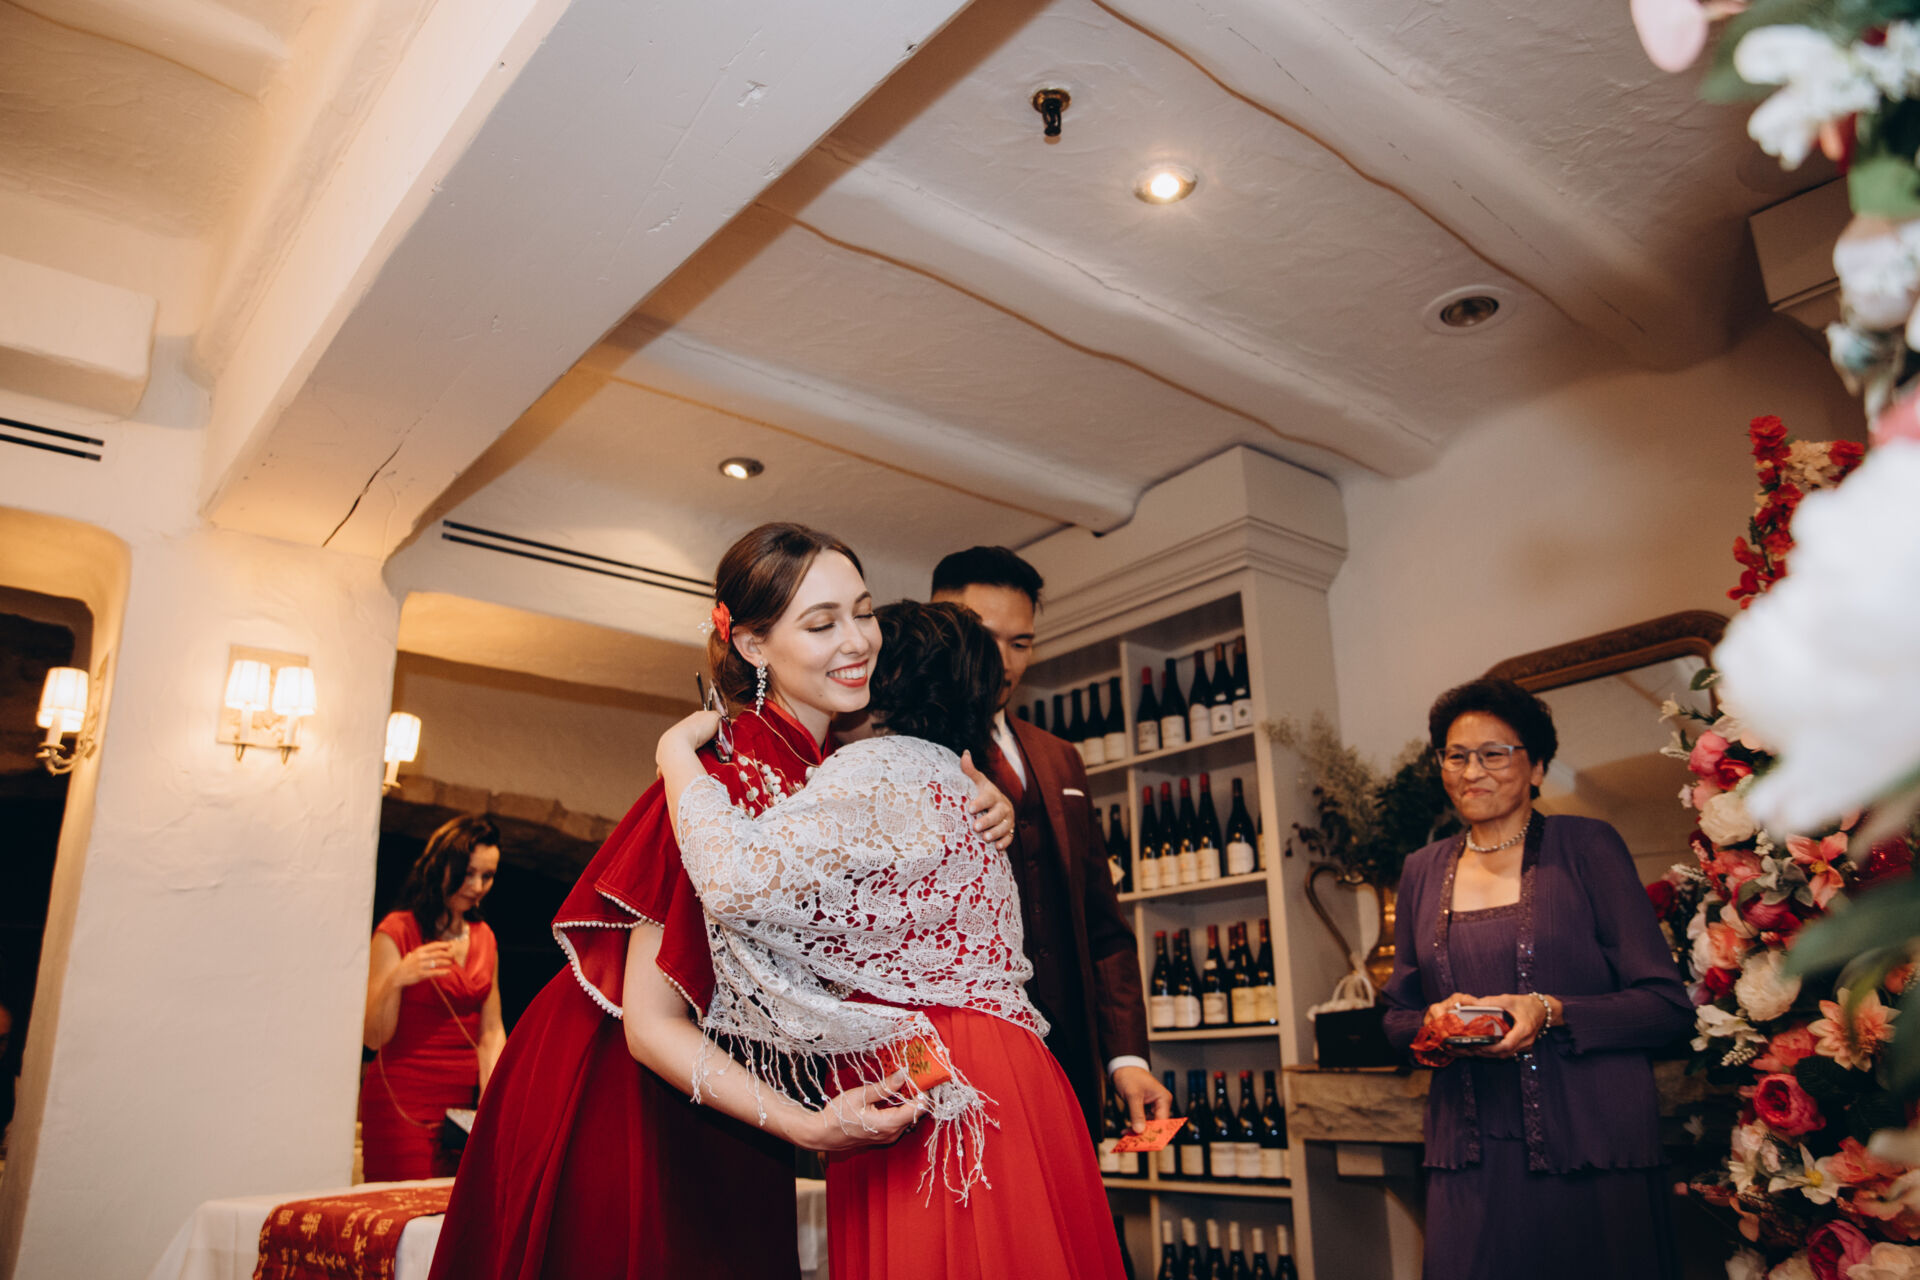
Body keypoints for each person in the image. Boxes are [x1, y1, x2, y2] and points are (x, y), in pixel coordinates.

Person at [429, 523, 1014, 1280]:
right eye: (821, 623)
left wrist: (986, 801)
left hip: (735, 1094)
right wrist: (807, 1125)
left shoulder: (838, 771)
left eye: (864, 612)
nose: (857, 641)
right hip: (626, 1089)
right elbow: (650, 1025)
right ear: (752, 645)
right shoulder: (719, 772)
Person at [656, 599, 1126, 1280]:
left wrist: (675, 755)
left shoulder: (874, 769)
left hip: (929, 1066)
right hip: (1007, 1064)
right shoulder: (961, 780)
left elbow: (734, 879)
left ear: (886, 681)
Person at [1381, 677, 1693, 1280]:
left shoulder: (1588, 847)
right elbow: (1395, 1018)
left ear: (1539, 767)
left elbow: (1665, 1006)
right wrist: (1433, 1022)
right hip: (1468, 1155)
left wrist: (1548, 1010)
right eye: (1455, 755)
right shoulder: (1421, 870)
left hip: (1595, 1147)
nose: (1472, 771)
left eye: (1494, 754)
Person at [929, 546, 1168, 1137]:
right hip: (964, 1067)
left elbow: (1101, 924)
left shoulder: (1060, 758)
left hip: (1069, 1057)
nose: (1003, 662)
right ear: (940, 626)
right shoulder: (907, 753)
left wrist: (1127, 1059)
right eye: (984, 637)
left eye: (1021, 643)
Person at [360, 814, 508, 1181]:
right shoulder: (397, 930)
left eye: (487, 876)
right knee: (401, 1208)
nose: (477, 886)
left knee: (450, 1209)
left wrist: (493, 1099)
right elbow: (373, 1038)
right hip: (401, 1102)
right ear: (441, 866)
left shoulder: (485, 936)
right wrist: (398, 978)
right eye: (468, 873)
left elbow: (491, 1030)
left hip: (460, 1112)